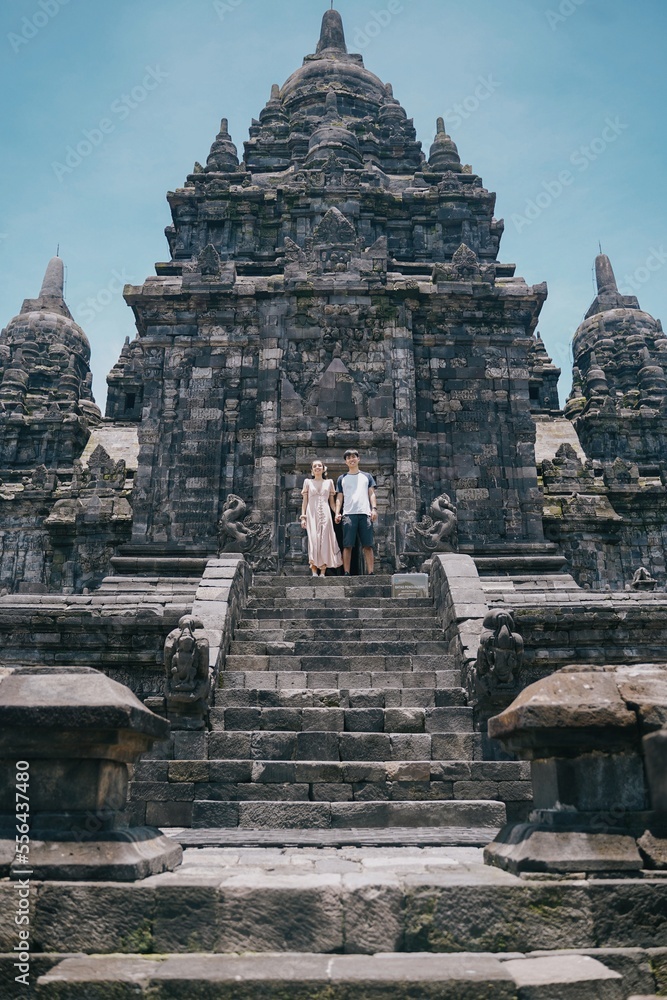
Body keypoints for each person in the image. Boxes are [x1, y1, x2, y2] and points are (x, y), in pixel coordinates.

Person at [334, 449, 378, 576]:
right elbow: (339, 497)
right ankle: (347, 572)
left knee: (368, 545)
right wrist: (337, 512)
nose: (351, 459)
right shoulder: (342, 478)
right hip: (348, 514)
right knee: (347, 545)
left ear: (358, 459)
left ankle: (370, 572)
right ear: (345, 462)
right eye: (348, 458)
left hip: (365, 514)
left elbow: (371, 494)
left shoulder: (367, 476)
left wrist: (374, 509)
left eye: (353, 457)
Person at [300, 460, 343, 576]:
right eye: (315, 466)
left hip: (325, 513)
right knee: (313, 541)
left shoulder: (329, 482)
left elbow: (332, 503)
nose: (317, 467)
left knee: (325, 541)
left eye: (320, 465)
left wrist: (337, 513)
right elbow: (305, 502)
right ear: (312, 470)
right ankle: (314, 569)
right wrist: (303, 517)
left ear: (324, 468)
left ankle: (323, 570)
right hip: (311, 513)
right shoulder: (307, 482)